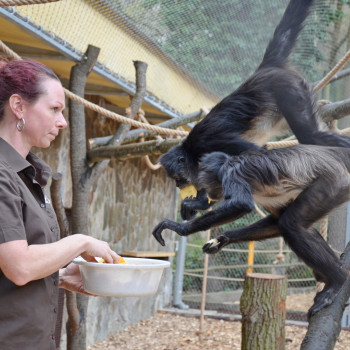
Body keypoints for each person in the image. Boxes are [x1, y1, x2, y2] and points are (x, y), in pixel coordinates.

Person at [0, 57, 120, 349]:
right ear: (18, 106)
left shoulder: (28, 174)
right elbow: (19, 267)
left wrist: (61, 275)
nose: (63, 121)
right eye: (54, 109)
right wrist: (80, 242)